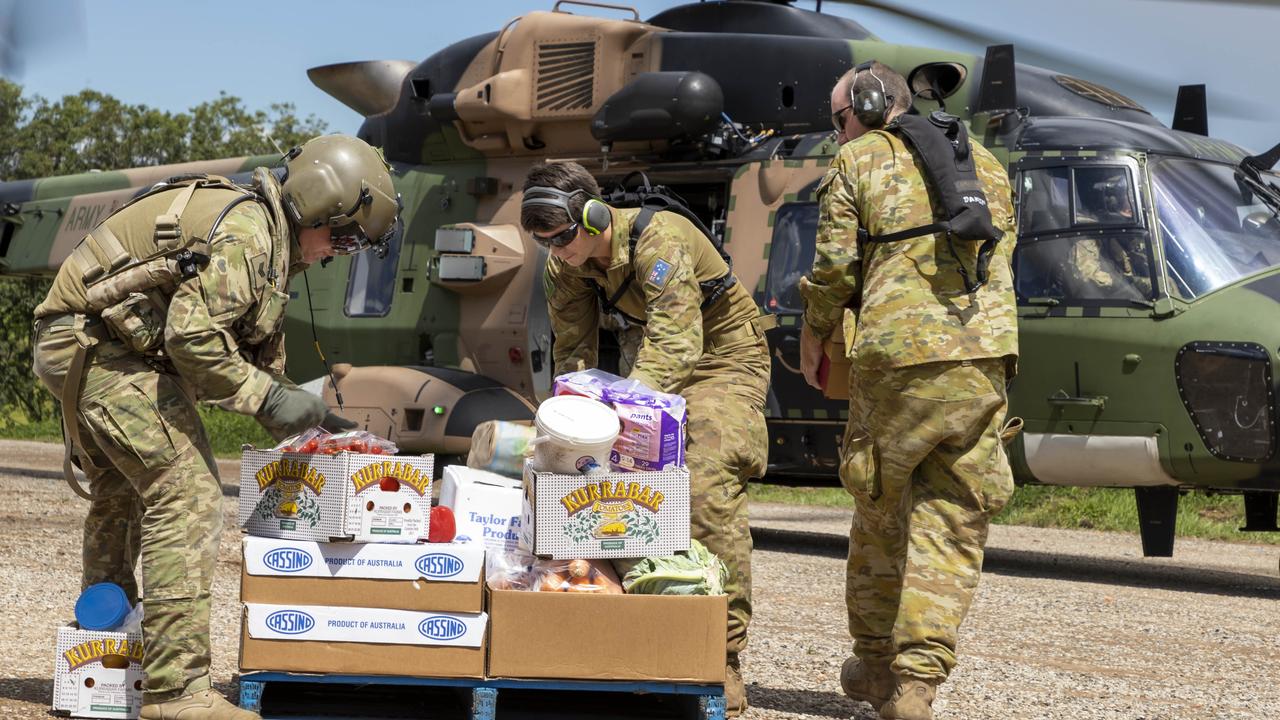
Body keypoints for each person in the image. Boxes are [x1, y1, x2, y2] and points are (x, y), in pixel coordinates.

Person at [32, 135, 399, 720]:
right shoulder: (251, 233)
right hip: (95, 348)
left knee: (122, 494)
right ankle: (175, 693)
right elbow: (192, 338)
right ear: (314, 202)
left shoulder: (268, 242)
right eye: (344, 236)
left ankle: (99, 669)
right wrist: (268, 400)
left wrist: (313, 421)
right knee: (187, 494)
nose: (340, 253)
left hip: (81, 345)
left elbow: (247, 356)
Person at [798, 62, 1019, 720]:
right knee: (954, 520)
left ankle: (871, 667)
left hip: (898, 359)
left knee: (879, 505)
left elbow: (834, 268)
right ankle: (917, 685)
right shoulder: (989, 166)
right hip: (982, 359)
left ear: (867, 106)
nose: (836, 133)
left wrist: (815, 334)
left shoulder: (858, 162)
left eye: (838, 118)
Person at [520, 161, 771, 716]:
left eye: (561, 237)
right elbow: (575, 356)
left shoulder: (661, 238)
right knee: (602, 483)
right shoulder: (564, 267)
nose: (556, 251)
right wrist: (572, 427)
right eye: (544, 244)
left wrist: (624, 414)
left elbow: (679, 344)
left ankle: (720, 656)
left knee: (703, 485)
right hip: (647, 369)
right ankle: (632, 635)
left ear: (592, 214)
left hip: (721, 361)